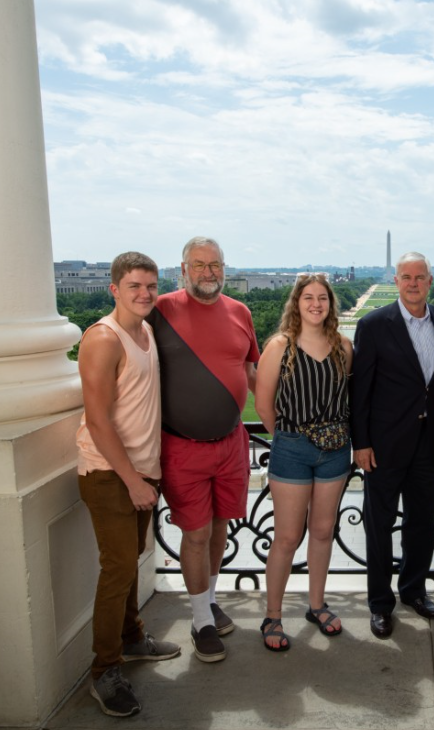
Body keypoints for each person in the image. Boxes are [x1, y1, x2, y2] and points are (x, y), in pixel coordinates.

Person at [76, 252, 180, 717]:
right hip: (110, 473)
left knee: (129, 562)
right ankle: (104, 672)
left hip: (141, 470)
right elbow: (98, 421)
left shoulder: (147, 331)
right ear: (114, 289)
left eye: (151, 286)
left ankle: (133, 638)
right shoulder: (103, 338)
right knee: (117, 569)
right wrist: (133, 480)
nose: (145, 293)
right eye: (134, 286)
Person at [148, 236, 259, 663]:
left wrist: (279, 413)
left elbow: (250, 370)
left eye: (215, 264)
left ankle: (208, 600)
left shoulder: (240, 311)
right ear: (183, 270)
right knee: (195, 534)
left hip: (231, 443)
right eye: (199, 265)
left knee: (218, 528)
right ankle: (200, 622)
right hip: (183, 445)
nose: (208, 272)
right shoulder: (160, 310)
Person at [350, 251, 434, 639]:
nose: (413, 283)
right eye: (406, 277)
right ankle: (380, 603)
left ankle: (414, 590)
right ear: (395, 281)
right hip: (384, 445)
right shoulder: (374, 324)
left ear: (430, 281)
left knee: (421, 523)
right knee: (379, 525)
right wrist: (361, 443)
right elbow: (360, 389)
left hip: (428, 444)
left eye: (420, 277)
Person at [254, 274, 353, 651]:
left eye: (322, 298)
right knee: (287, 536)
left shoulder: (344, 346)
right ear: (296, 303)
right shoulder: (280, 346)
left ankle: (316, 605)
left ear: (330, 304)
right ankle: (273, 615)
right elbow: (264, 404)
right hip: (292, 447)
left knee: (323, 531)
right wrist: (293, 437)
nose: (316, 304)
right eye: (308, 297)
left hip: (335, 449)